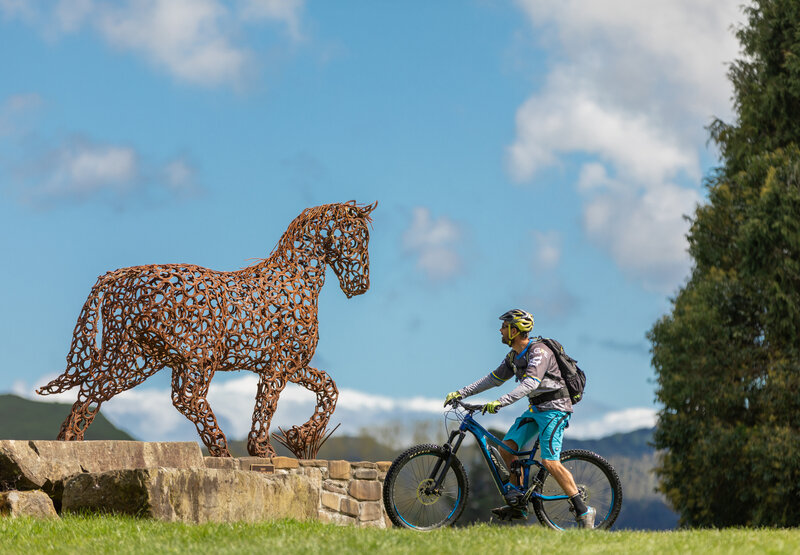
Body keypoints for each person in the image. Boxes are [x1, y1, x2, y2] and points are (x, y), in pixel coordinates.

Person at [444, 309, 595, 528]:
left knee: (550, 462)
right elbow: (493, 379)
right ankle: (518, 502)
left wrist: (501, 402)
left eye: (504, 327)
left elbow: (530, 384)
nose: (500, 330)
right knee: (507, 449)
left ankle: (584, 510)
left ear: (515, 330)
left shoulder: (539, 352)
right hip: (536, 410)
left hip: (556, 409)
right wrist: (462, 392)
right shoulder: (515, 356)